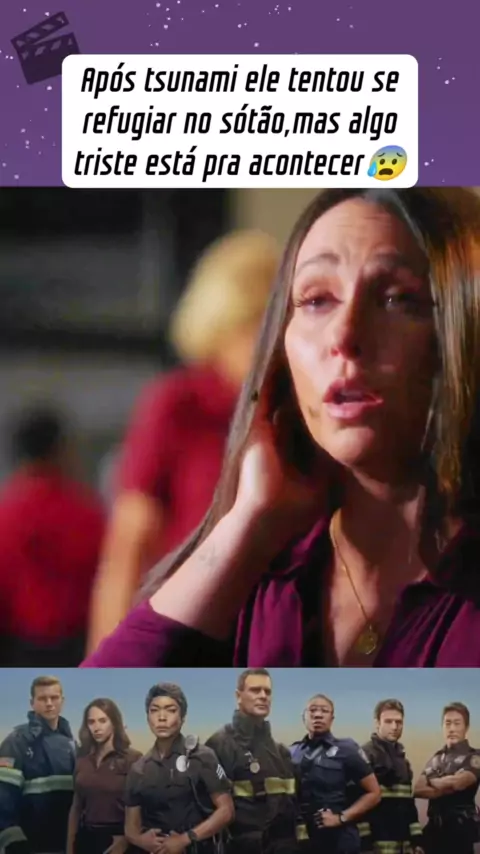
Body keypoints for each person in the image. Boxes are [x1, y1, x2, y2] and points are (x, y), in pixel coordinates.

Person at [81, 187, 480, 669]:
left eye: (396, 298)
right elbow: (93, 714)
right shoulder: (268, 577)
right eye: (315, 300)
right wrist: (247, 523)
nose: (343, 335)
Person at [87, 229, 278, 654]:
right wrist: (105, 670)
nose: (267, 344)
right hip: (187, 634)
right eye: (252, 326)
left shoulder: (292, 409)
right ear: (220, 327)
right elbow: (129, 545)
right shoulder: (179, 402)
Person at [0, 404, 105, 666]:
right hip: (78, 646)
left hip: (16, 648)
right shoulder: (85, 511)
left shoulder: (7, 512)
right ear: (59, 450)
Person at [124, 683, 234, 854]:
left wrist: (184, 839)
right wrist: (141, 840)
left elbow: (226, 811)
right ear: (147, 718)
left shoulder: (202, 756)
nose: (162, 717)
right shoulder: (138, 769)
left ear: (182, 717)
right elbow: (131, 828)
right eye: (154, 710)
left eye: (170, 710)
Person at [205, 669, 298, 854]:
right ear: (238, 696)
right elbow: (205, 809)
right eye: (255, 690)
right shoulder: (219, 745)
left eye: (267, 691)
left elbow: (294, 807)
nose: (263, 696)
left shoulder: (281, 753)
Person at [290, 694, 380, 854]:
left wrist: (341, 818)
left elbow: (374, 793)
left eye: (324, 711)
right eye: (312, 710)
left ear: (332, 718)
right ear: (303, 717)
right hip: (301, 841)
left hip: (339, 840)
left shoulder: (347, 749)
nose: (318, 715)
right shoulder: (292, 752)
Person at [0, 675, 76, 854]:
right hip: (29, 845)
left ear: (62, 701)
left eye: (54, 698)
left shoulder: (72, 743)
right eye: (42, 698)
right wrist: (14, 842)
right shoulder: (16, 742)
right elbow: (3, 797)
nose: (49, 703)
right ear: (32, 703)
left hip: (67, 844)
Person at [67, 698, 142, 854]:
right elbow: (76, 806)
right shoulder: (82, 759)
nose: (97, 727)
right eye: (91, 722)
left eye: (102, 721)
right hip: (87, 839)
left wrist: (127, 839)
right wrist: (69, 846)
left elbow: (145, 806)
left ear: (114, 723)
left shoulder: (132, 759)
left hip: (119, 839)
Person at [413, 702, 480, 854]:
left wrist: (433, 779)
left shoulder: (474, 756)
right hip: (433, 835)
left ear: (466, 728)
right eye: (447, 723)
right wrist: (443, 787)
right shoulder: (437, 757)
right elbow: (418, 789)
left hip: (459, 836)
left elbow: (458, 783)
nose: (452, 728)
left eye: (457, 723)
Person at [361, 699, 423, 854]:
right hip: (376, 845)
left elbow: (408, 804)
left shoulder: (403, 761)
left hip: (403, 846)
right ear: (377, 723)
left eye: (399, 722)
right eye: (388, 721)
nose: (394, 727)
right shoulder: (365, 755)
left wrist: (417, 841)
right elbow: (355, 800)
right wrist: (364, 843)